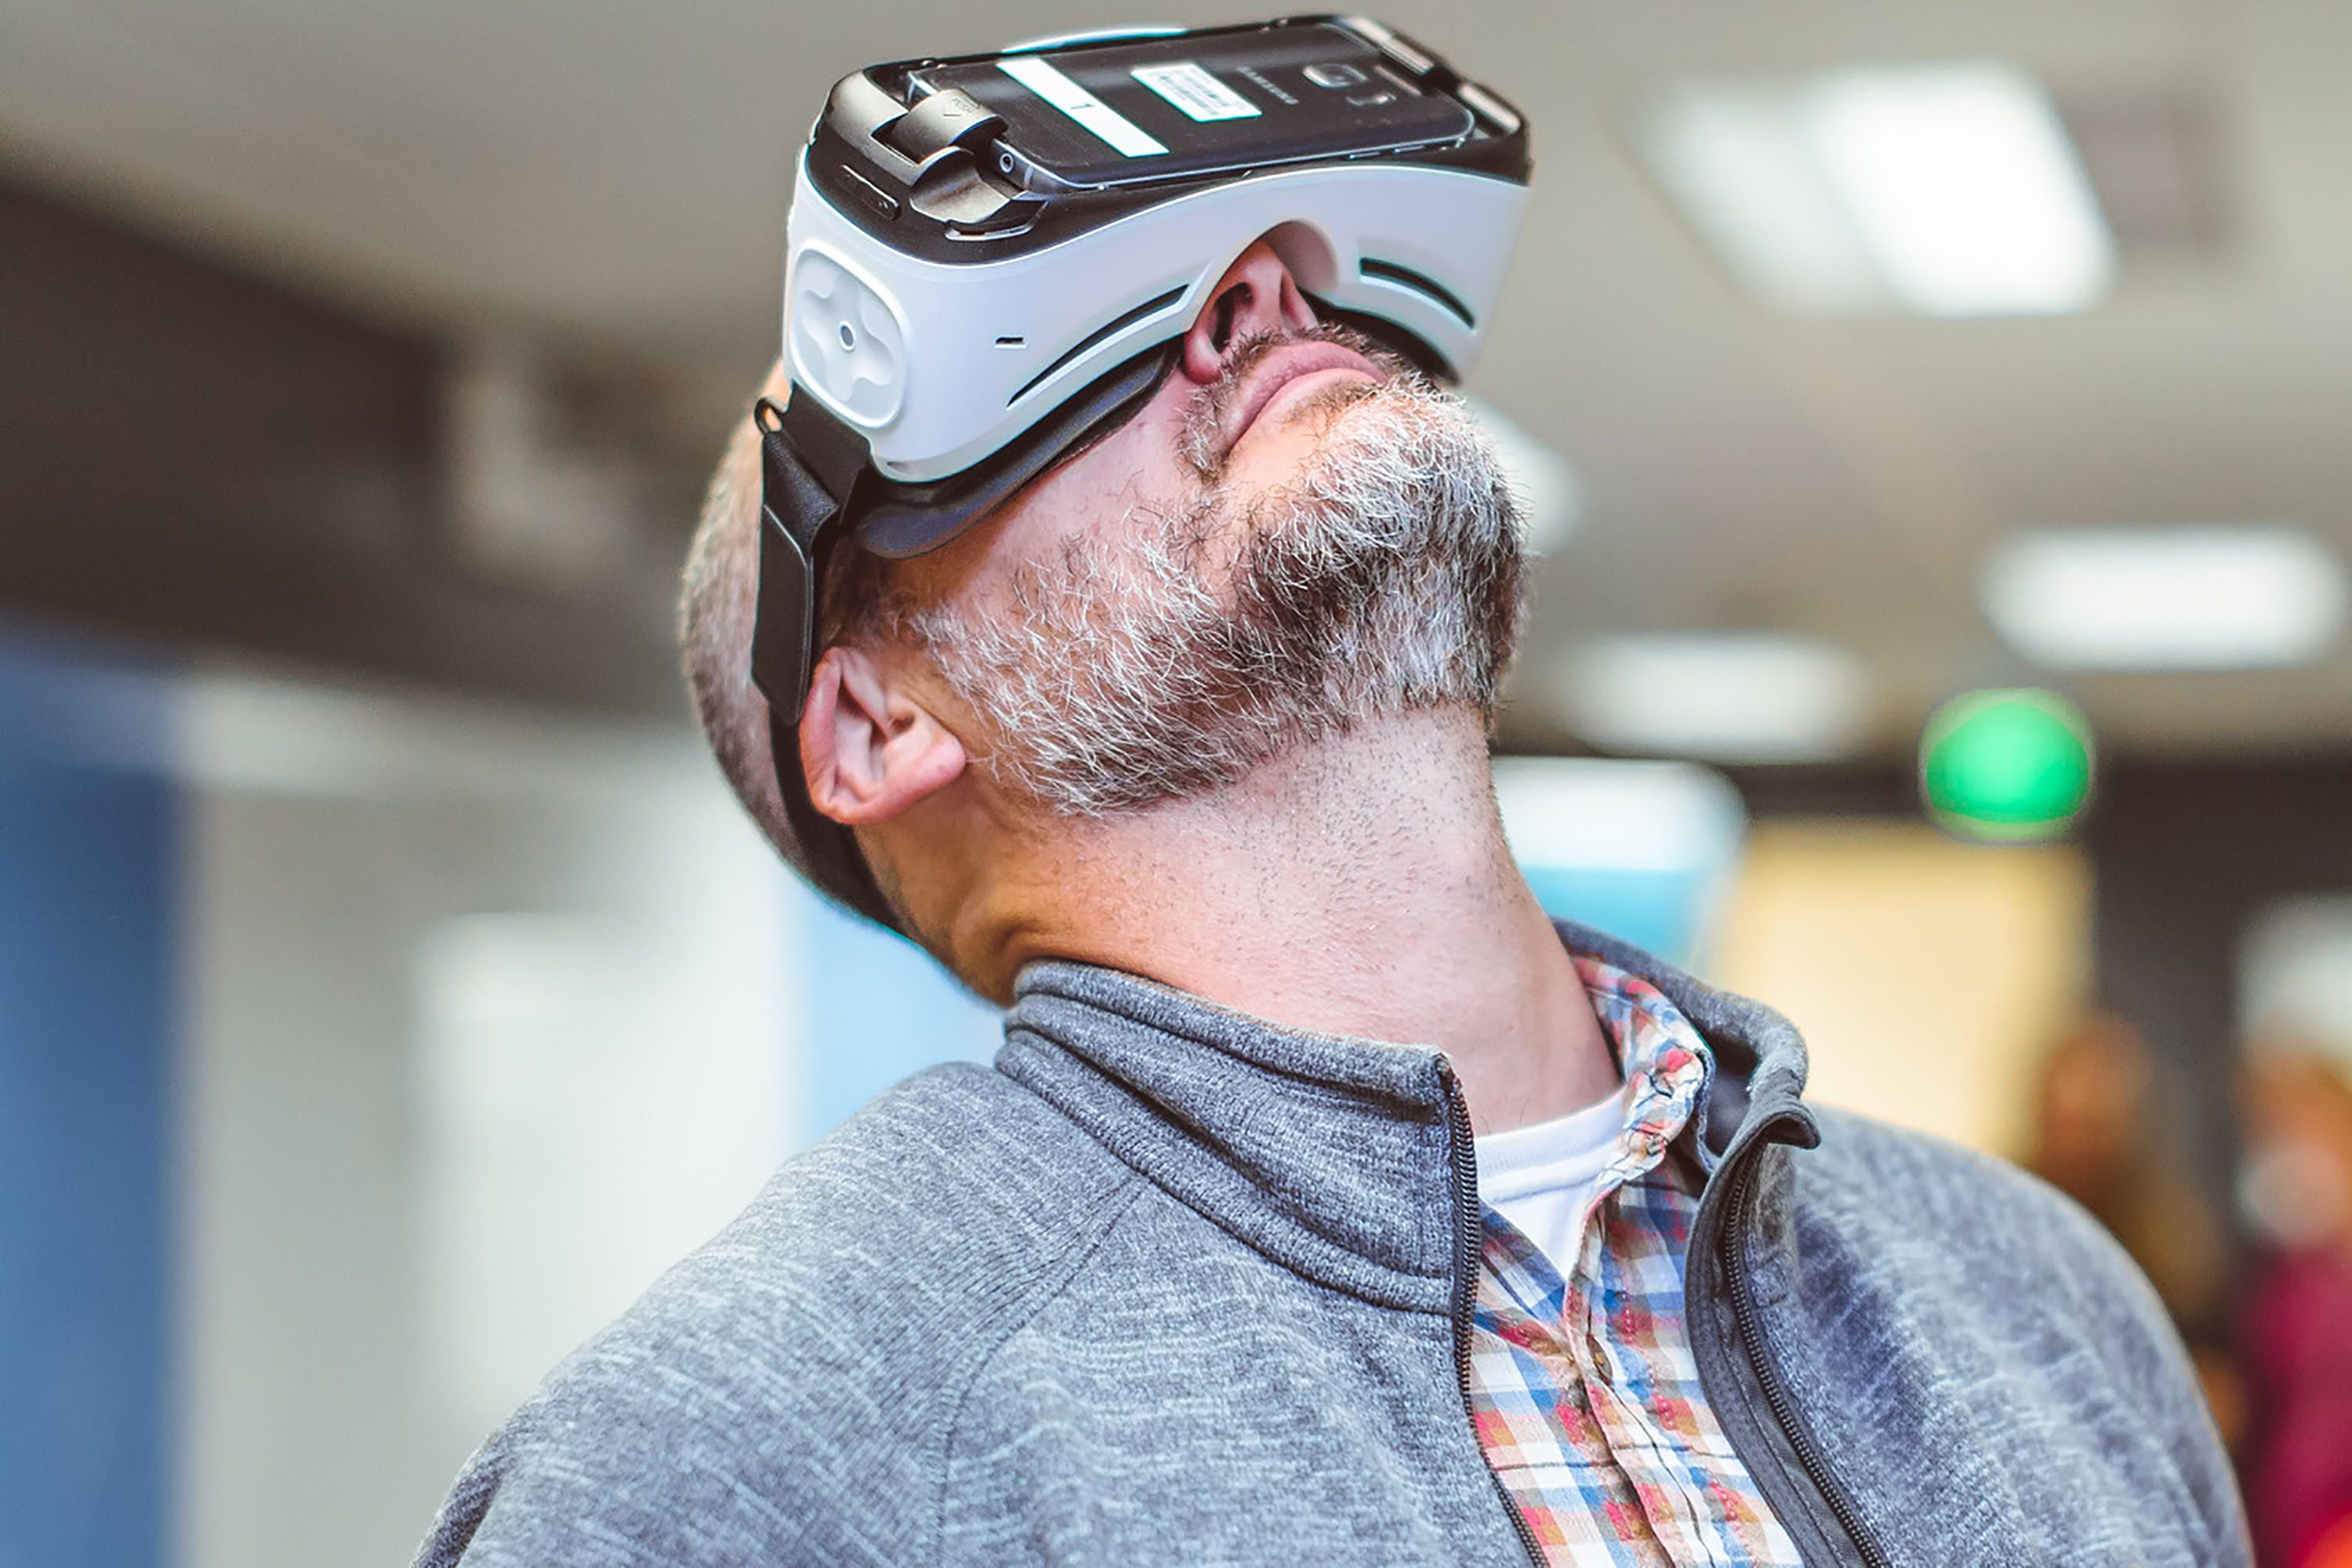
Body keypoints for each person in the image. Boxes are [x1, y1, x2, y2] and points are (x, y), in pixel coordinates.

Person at [414, 239, 2247, 1566]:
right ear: (884, 717)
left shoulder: (2033, 1294)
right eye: (1035, 357)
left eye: (1248, 264)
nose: (1257, 285)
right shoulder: (735, 1468)